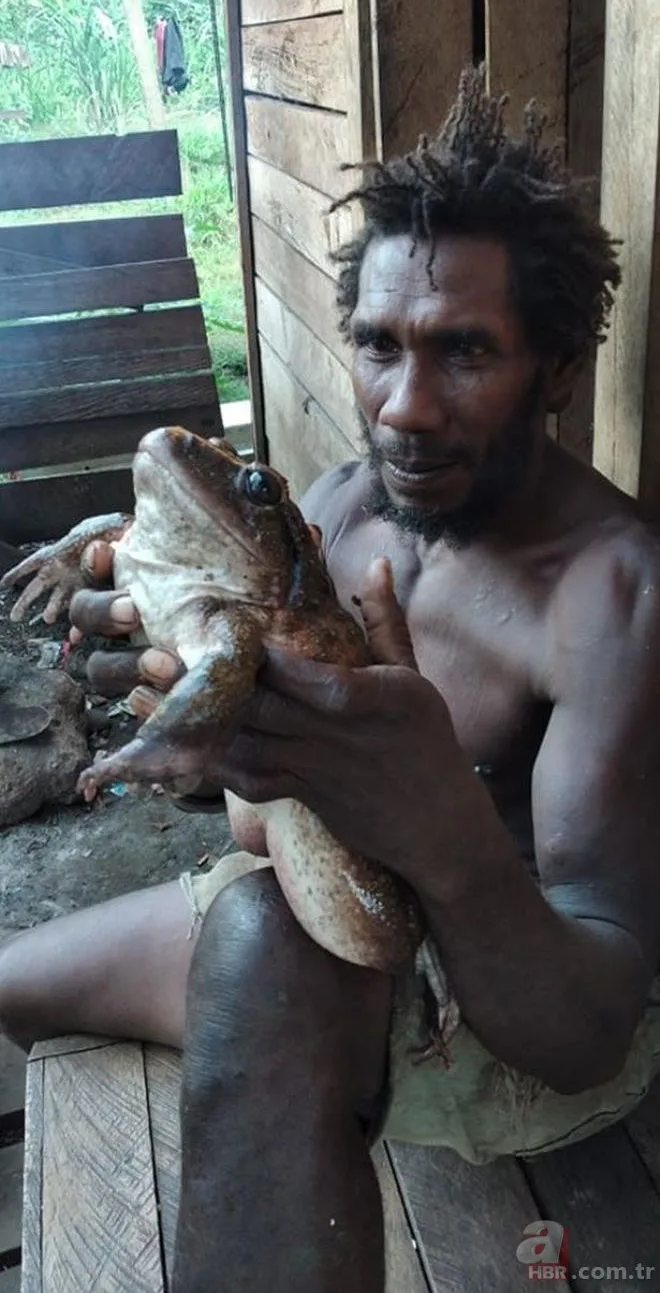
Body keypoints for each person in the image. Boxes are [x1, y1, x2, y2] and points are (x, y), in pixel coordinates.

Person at [2, 66, 660, 1293]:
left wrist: (443, 830)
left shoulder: (614, 595)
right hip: (314, 903)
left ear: (558, 368)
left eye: (465, 352)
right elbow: (259, 813)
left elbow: (589, 1028)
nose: (405, 406)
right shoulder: (349, 505)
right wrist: (212, 702)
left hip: (498, 1008)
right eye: (378, 345)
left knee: (262, 948)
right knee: (18, 990)